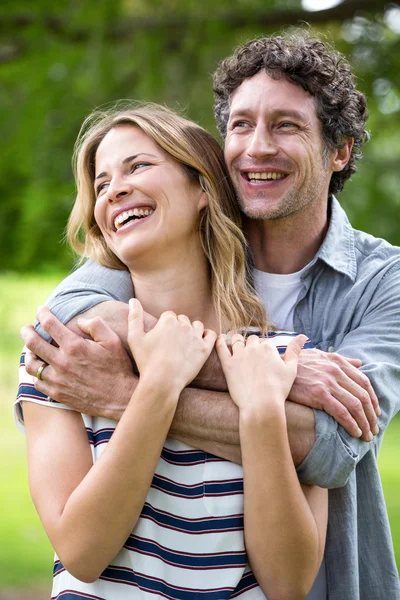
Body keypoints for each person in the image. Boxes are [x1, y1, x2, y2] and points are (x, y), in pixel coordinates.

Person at [19, 31, 400, 599]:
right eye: (240, 125)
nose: (256, 147)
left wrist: (136, 392)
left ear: (339, 150)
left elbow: (328, 443)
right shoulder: (154, 246)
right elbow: (68, 313)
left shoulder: (382, 281)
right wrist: (269, 377)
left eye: (286, 125)